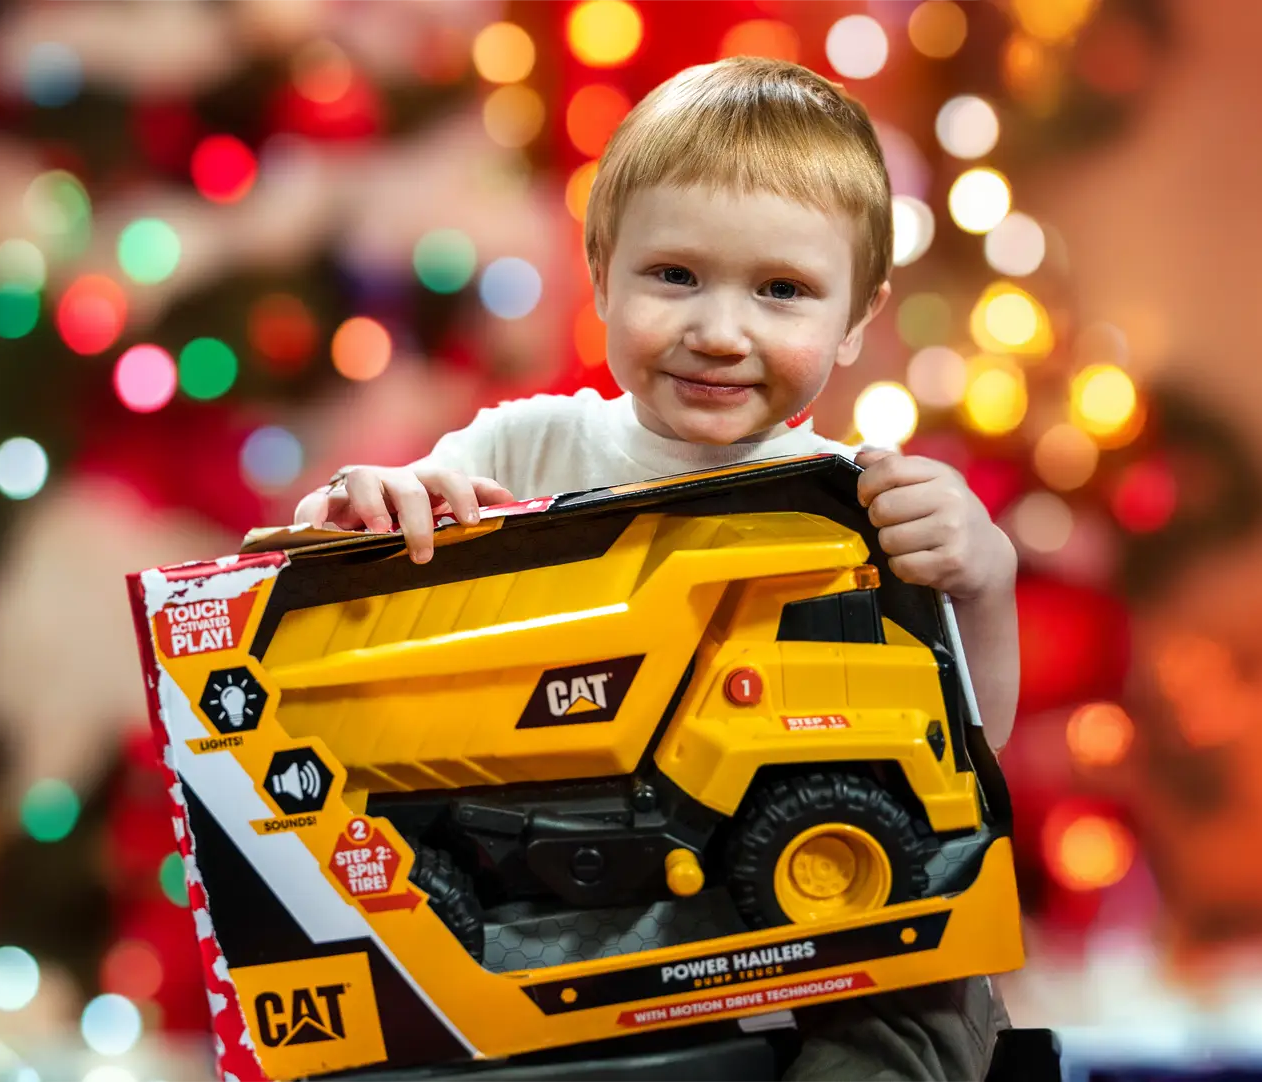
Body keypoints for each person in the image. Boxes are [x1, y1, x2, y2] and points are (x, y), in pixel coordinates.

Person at [292, 56, 1020, 1082]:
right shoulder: (525, 447)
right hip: (569, 893)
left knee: (921, 982)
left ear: (856, 316)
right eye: (673, 275)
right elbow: (342, 555)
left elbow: (968, 747)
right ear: (600, 271)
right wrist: (366, 505)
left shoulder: (856, 499)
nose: (718, 331)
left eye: (781, 290)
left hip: (782, 906)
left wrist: (980, 579)